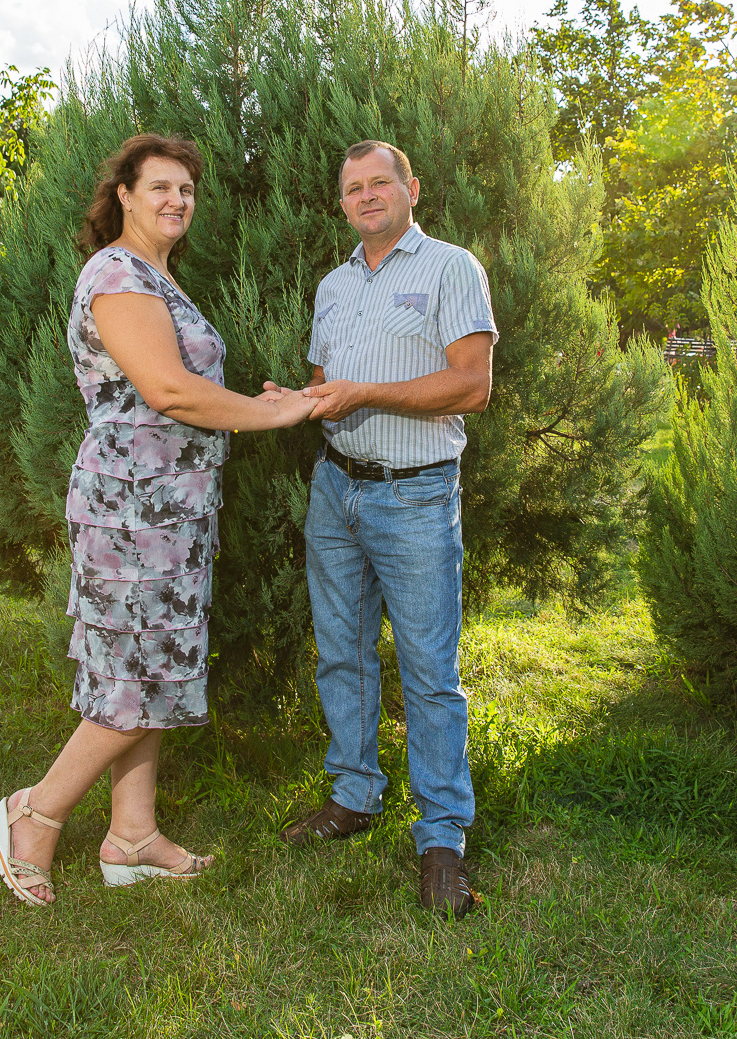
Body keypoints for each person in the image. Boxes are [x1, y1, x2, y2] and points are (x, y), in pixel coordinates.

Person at [0, 133, 316, 907]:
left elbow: (180, 393)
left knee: (153, 662)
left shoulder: (159, 275)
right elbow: (167, 391)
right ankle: (32, 812)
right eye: (159, 186)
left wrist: (258, 403)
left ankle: (132, 835)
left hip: (173, 506)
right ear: (123, 195)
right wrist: (277, 417)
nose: (176, 200)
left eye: (186, 191)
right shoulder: (117, 272)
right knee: (135, 676)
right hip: (131, 509)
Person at [269, 139, 497, 919]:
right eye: (352, 187)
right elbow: (334, 385)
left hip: (415, 495)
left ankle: (442, 838)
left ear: (411, 189)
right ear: (341, 204)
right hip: (336, 488)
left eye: (379, 182)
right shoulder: (333, 286)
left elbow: (472, 385)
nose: (366, 195)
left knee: (429, 671)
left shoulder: (451, 268)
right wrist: (298, 400)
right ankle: (355, 794)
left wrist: (367, 390)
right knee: (342, 651)